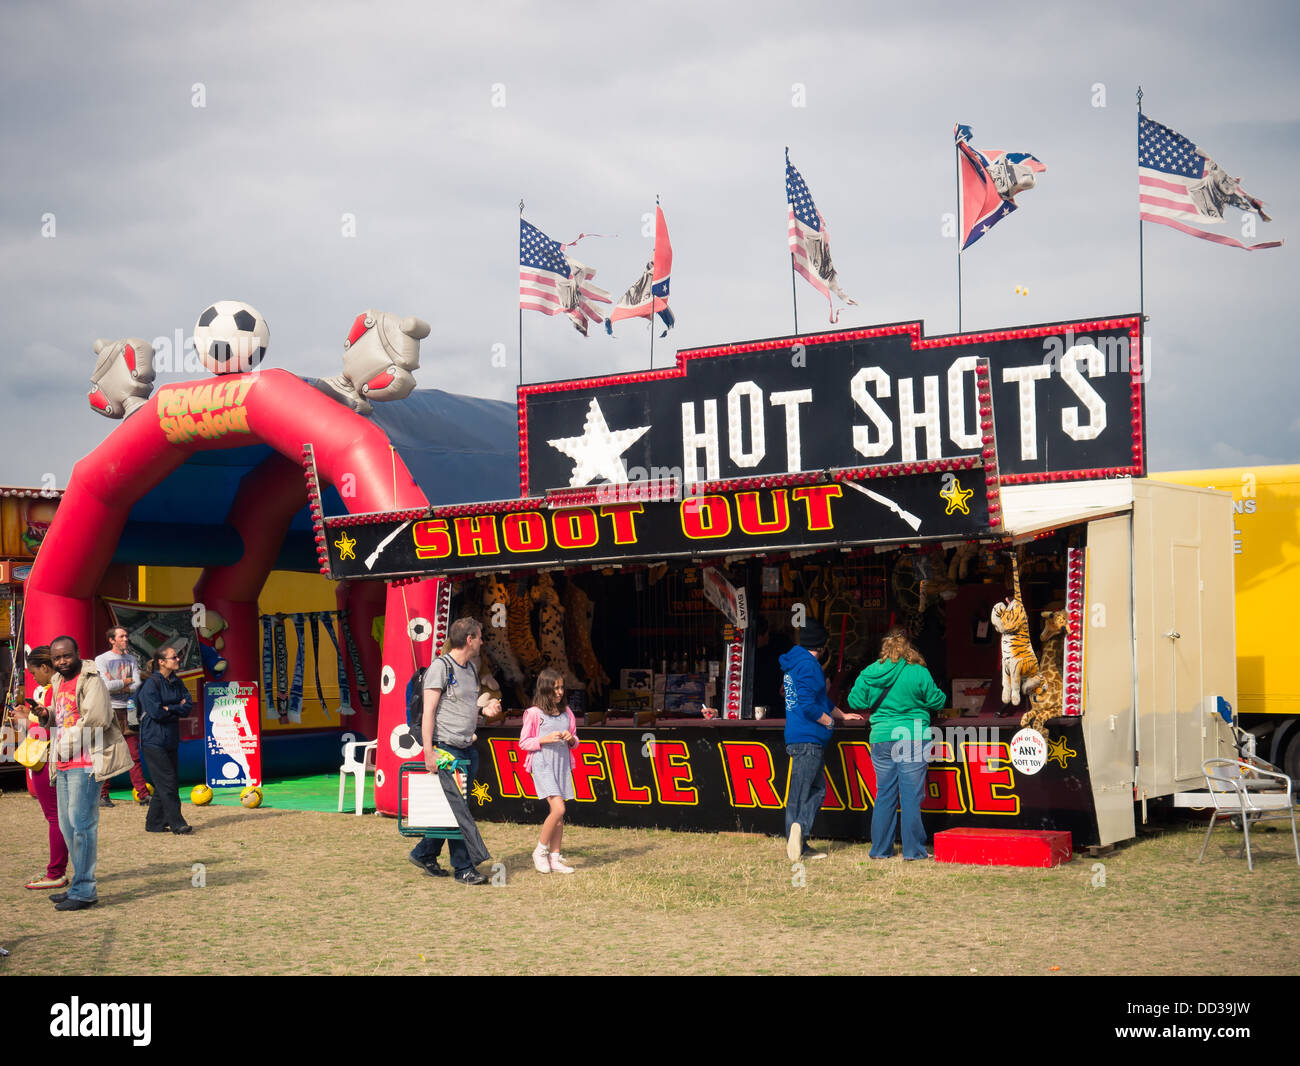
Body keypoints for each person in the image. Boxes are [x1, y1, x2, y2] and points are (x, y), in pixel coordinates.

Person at [32, 636, 130, 910]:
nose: (62, 661)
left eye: (66, 656)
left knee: (82, 827)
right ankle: (78, 884)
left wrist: (63, 746)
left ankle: (85, 890)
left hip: (86, 763)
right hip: (63, 763)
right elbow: (64, 714)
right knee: (67, 827)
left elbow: (96, 720)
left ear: (77, 654)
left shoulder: (92, 679)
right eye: (56, 658)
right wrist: (46, 714)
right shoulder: (58, 681)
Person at [409, 618, 500, 886]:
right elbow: (428, 713)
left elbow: (466, 707)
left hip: (467, 747)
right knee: (458, 810)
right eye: (480, 637)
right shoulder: (441, 668)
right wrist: (428, 752)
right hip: (446, 749)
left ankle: (424, 852)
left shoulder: (470, 669)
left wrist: (484, 711)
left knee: (451, 807)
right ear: (469, 639)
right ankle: (463, 868)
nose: (483, 642)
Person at [848, 627, 947, 861]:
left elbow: (854, 700)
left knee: (885, 794)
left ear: (885, 647)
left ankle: (880, 850)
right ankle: (913, 851)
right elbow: (937, 699)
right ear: (908, 647)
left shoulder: (870, 672)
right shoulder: (918, 672)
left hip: (881, 737)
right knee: (911, 796)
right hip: (912, 736)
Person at [780, 618, 862, 862]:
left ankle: (798, 842)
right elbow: (808, 705)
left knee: (811, 790)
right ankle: (799, 833)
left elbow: (819, 700)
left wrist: (841, 713)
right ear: (822, 645)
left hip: (798, 735)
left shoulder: (795, 663)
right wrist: (828, 721)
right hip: (809, 737)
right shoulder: (809, 666)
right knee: (808, 792)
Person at [518, 668, 580, 874]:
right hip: (542, 764)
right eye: (555, 688)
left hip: (561, 765)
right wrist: (544, 739)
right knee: (559, 809)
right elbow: (524, 742)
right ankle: (540, 851)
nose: (560, 692)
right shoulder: (534, 713)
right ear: (545, 689)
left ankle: (555, 857)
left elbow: (575, 740)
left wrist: (570, 739)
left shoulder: (567, 712)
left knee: (558, 815)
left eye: (562, 687)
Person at [20, 646, 69, 891]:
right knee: (60, 817)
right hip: (56, 757)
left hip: (46, 758)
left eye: (33, 671)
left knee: (55, 817)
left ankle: (56, 872)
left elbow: (44, 729)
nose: (32, 677)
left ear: (45, 668)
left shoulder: (51, 691)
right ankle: (58, 869)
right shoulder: (62, 689)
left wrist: (24, 719)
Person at [136, 643, 194, 835]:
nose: (178, 660)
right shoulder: (151, 684)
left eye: (177, 657)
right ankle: (177, 823)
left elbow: (188, 705)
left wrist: (171, 708)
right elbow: (156, 713)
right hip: (153, 740)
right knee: (168, 781)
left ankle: (153, 823)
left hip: (170, 739)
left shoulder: (177, 681)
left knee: (166, 782)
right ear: (161, 662)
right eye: (174, 657)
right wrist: (175, 708)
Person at [94, 625, 146, 808]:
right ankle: (103, 795)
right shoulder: (101, 659)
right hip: (110, 711)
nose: (126, 639)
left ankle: (143, 794)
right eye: (122, 636)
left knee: (134, 754)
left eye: (126, 636)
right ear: (112, 640)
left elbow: (137, 684)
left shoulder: (131, 659)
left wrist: (121, 684)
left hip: (129, 710)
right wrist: (125, 681)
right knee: (107, 752)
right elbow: (105, 686)